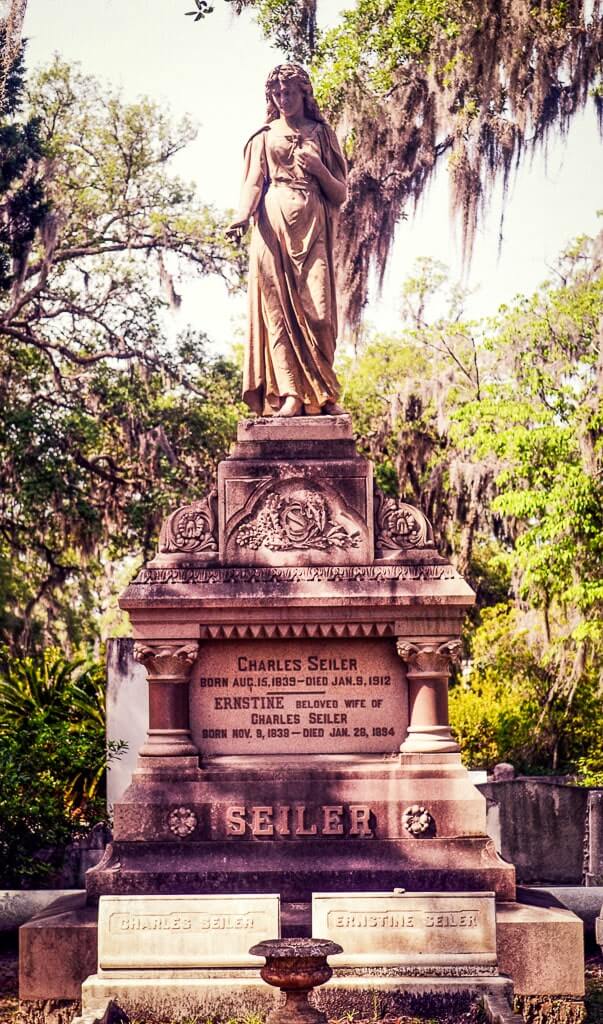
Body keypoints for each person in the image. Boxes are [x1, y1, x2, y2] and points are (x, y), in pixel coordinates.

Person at [227, 64, 347, 417]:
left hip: (313, 225)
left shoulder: (322, 135)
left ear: (304, 94)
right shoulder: (263, 136)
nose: (283, 99)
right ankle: (291, 394)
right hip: (272, 224)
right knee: (277, 314)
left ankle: (324, 394)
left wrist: (318, 169)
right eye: (277, 93)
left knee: (321, 315)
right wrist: (241, 215)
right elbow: (252, 182)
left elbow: (339, 194)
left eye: (290, 92)